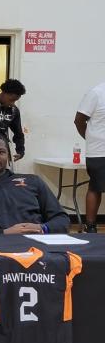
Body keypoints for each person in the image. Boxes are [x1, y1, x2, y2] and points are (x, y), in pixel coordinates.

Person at [75, 81, 105, 233]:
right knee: (96, 187)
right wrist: (92, 139)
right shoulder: (97, 93)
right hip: (100, 151)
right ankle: (90, 226)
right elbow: (79, 120)